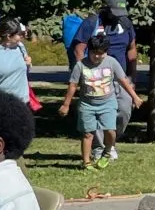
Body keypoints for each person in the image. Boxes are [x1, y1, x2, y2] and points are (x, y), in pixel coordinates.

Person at [59, 35, 144, 170]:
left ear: (106, 52)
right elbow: (73, 85)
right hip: (87, 104)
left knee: (110, 130)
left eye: (101, 53)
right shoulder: (80, 65)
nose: (98, 57)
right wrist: (66, 104)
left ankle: (107, 152)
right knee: (87, 134)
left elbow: (123, 80)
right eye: (94, 53)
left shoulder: (111, 62)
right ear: (89, 51)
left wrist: (135, 97)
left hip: (108, 103)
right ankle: (86, 162)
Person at [72, 0, 138, 162]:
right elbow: (79, 49)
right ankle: (100, 148)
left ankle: (110, 143)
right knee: (98, 112)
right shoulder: (92, 23)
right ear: (106, 9)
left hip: (120, 75)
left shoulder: (126, 23)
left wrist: (132, 76)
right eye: (115, 13)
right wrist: (84, 74)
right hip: (96, 76)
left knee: (124, 109)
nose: (118, 17)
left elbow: (132, 49)